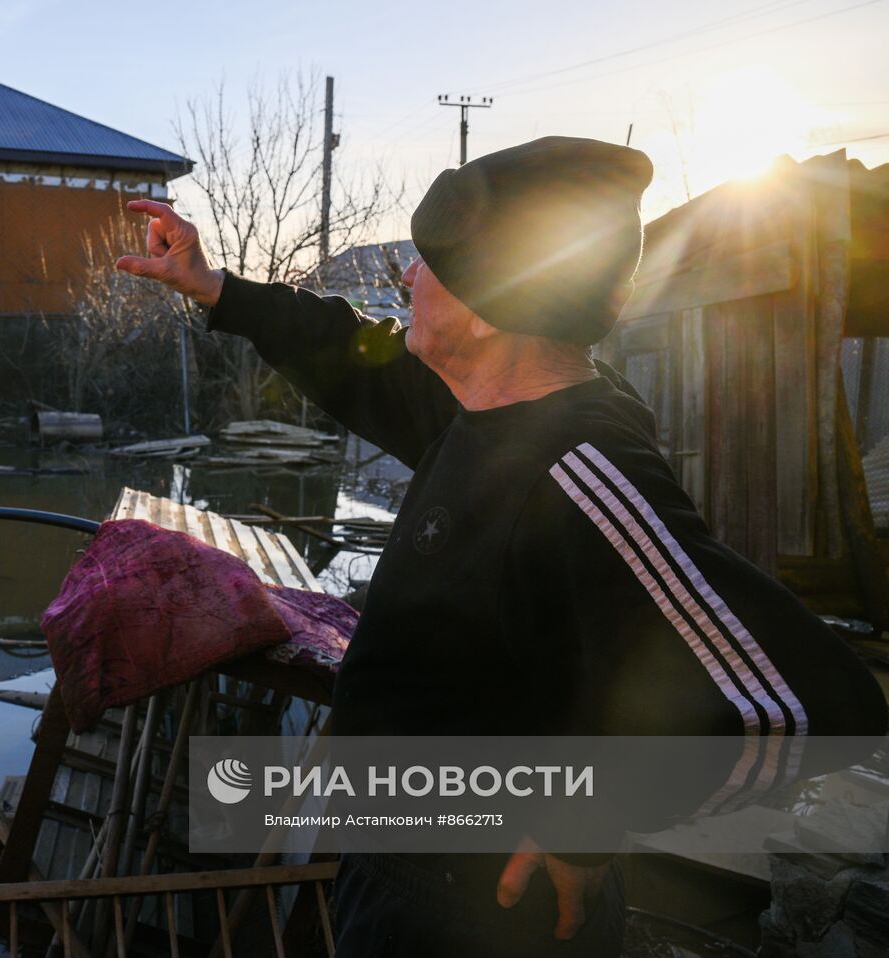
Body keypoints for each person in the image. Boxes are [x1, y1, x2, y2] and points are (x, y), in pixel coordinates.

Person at [116, 136, 888, 957]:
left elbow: (792, 700)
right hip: (403, 867)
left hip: (478, 913)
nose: (407, 279)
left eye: (428, 265)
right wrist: (216, 289)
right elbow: (350, 358)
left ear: (493, 304)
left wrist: (584, 819)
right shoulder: (481, 406)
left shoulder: (578, 471)